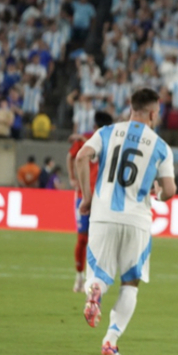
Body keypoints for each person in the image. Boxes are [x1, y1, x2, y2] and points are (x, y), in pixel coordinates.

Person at [75, 88, 176, 355]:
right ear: (154, 113)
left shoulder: (107, 132)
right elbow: (170, 189)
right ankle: (110, 340)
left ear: (132, 107)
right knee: (130, 282)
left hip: (103, 214)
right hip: (137, 220)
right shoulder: (160, 146)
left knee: (98, 274)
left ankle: (95, 291)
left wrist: (86, 197)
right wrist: (159, 193)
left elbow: (81, 156)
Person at [67, 111, 114, 293]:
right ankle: (79, 276)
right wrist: (72, 177)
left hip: (104, 196)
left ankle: (96, 278)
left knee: (103, 238)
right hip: (84, 194)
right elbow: (71, 156)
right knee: (82, 238)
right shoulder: (85, 139)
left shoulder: (112, 141)